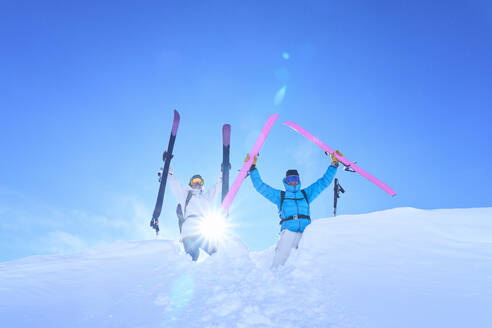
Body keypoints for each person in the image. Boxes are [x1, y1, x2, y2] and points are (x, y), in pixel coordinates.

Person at [246, 151, 342, 268]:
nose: (293, 181)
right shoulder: (280, 196)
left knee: (306, 265)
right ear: (286, 180)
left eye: (295, 178)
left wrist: (334, 164)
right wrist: (252, 168)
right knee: (280, 264)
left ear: (299, 180)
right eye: (290, 178)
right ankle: (273, 280)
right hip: (288, 232)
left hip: (306, 232)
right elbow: (261, 187)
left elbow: (323, 182)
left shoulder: (306, 194)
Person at [167, 167, 222, 261]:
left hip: (203, 229)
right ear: (191, 184)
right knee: (193, 255)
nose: (197, 184)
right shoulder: (185, 195)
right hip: (189, 230)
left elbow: (216, 188)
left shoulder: (206, 197)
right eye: (195, 181)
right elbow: (175, 185)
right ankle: (188, 272)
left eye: (199, 182)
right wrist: (169, 171)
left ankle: (218, 272)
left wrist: (222, 174)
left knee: (215, 252)